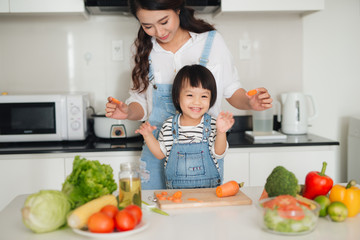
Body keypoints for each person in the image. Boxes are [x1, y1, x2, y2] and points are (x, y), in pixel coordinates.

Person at [105, 0, 272, 189]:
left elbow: (231, 90)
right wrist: (127, 112)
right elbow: (140, 104)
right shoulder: (144, 50)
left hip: (204, 154)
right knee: (154, 214)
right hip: (156, 150)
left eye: (164, 21)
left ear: (177, 8)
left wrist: (250, 103)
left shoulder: (212, 42)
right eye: (148, 26)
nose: (159, 32)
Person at [135, 65, 234, 189]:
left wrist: (221, 132)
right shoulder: (169, 125)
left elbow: (219, 153)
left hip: (209, 193)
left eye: (204, 96)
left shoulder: (213, 124)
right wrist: (148, 136)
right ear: (177, 97)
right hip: (177, 194)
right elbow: (160, 154)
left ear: (211, 99)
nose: (197, 102)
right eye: (190, 95)